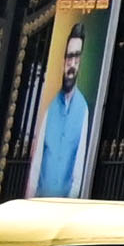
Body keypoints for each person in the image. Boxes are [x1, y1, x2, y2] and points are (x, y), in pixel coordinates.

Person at [30, 23, 97, 200]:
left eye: (76, 58)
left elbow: (78, 168)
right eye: (69, 58)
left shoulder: (82, 109)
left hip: (62, 209)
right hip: (39, 203)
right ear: (63, 61)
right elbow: (37, 162)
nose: (72, 65)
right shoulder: (50, 108)